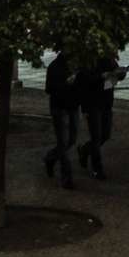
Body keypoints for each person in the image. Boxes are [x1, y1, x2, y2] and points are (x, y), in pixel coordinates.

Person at [76, 54, 127, 179]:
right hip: (93, 103)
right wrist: (101, 77)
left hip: (106, 102)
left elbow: (116, 74)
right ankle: (97, 169)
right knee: (96, 136)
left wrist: (121, 73)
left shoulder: (109, 59)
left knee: (105, 135)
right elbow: (84, 81)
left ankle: (85, 150)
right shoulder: (88, 61)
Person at [43, 49, 78, 189]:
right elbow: (49, 89)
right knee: (64, 142)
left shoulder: (74, 66)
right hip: (60, 108)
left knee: (71, 140)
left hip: (73, 106)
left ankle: (50, 157)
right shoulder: (54, 67)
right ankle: (66, 177)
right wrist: (66, 84)